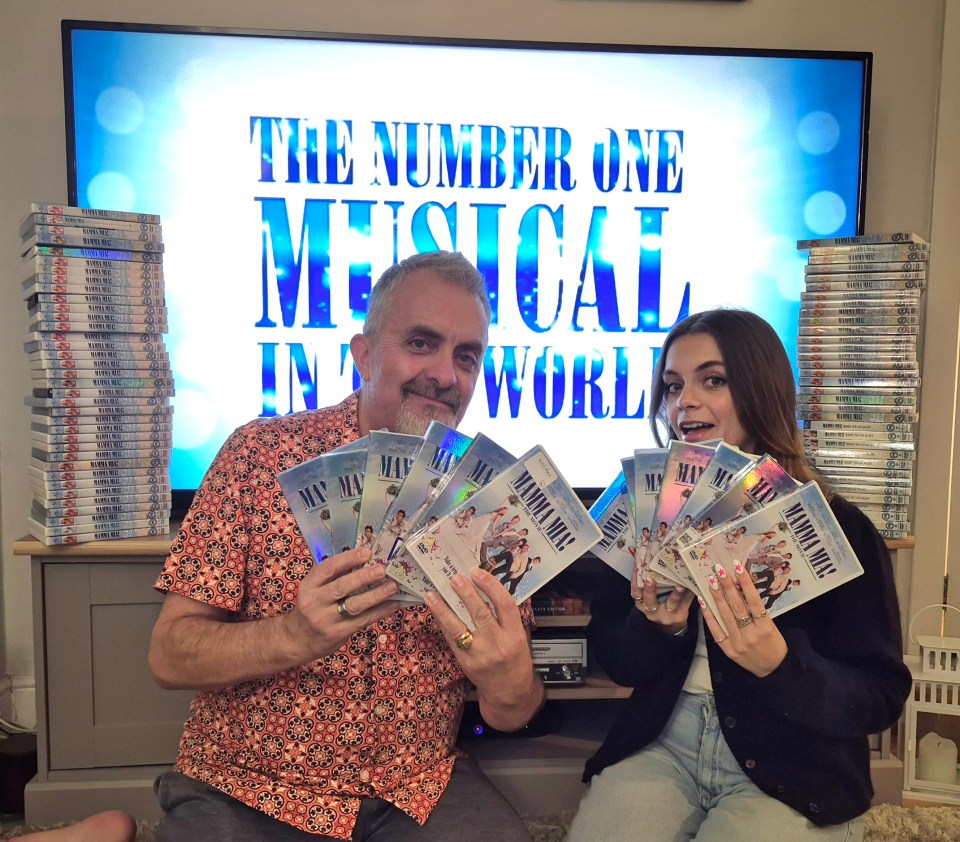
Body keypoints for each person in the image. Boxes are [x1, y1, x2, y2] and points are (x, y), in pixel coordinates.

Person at [148, 251, 545, 841]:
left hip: (416, 788)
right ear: (363, 354)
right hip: (251, 785)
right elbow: (169, 655)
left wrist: (510, 681)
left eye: (466, 357)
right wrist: (295, 635)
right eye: (420, 343)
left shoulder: (488, 498)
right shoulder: (260, 455)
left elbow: (510, 710)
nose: (445, 374)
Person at [566, 308, 911, 842]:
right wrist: (660, 629)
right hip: (665, 743)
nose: (685, 402)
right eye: (673, 385)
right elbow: (616, 663)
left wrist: (779, 664)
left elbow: (880, 697)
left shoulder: (840, 527)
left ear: (760, 390)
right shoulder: (646, 512)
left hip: (797, 762)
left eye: (714, 380)